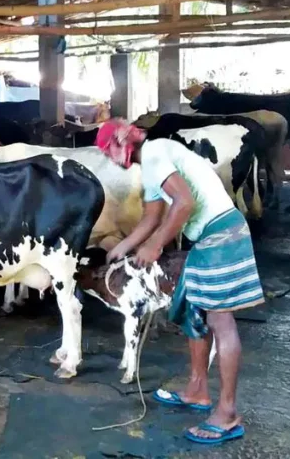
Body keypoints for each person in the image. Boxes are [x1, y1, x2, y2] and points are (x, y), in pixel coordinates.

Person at [96, 118, 265, 445]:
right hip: (207, 238)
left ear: (121, 144)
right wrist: (122, 248)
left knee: (220, 321)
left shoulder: (156, 153)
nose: (110, 158)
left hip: (222, 235)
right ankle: (197, 390)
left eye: (108, 150)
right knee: (193, 313)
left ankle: (227, 413)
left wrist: (155, 246)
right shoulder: (152, 163)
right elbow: (152, 216)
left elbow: (184, 202)